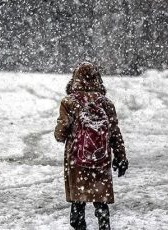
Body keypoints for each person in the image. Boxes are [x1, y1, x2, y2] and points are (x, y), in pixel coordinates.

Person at [54, 62, 128, 230]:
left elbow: (61, 132)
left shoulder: (69, 102)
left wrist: (59, 134)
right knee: (100, 199)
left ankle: (79, 223)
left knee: (78, 200)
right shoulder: (106, 104)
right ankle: (103, 223)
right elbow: (115, 133)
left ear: (75, 79)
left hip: (77, 159)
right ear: (97, 79)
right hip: (101, 159)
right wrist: (121, 157)